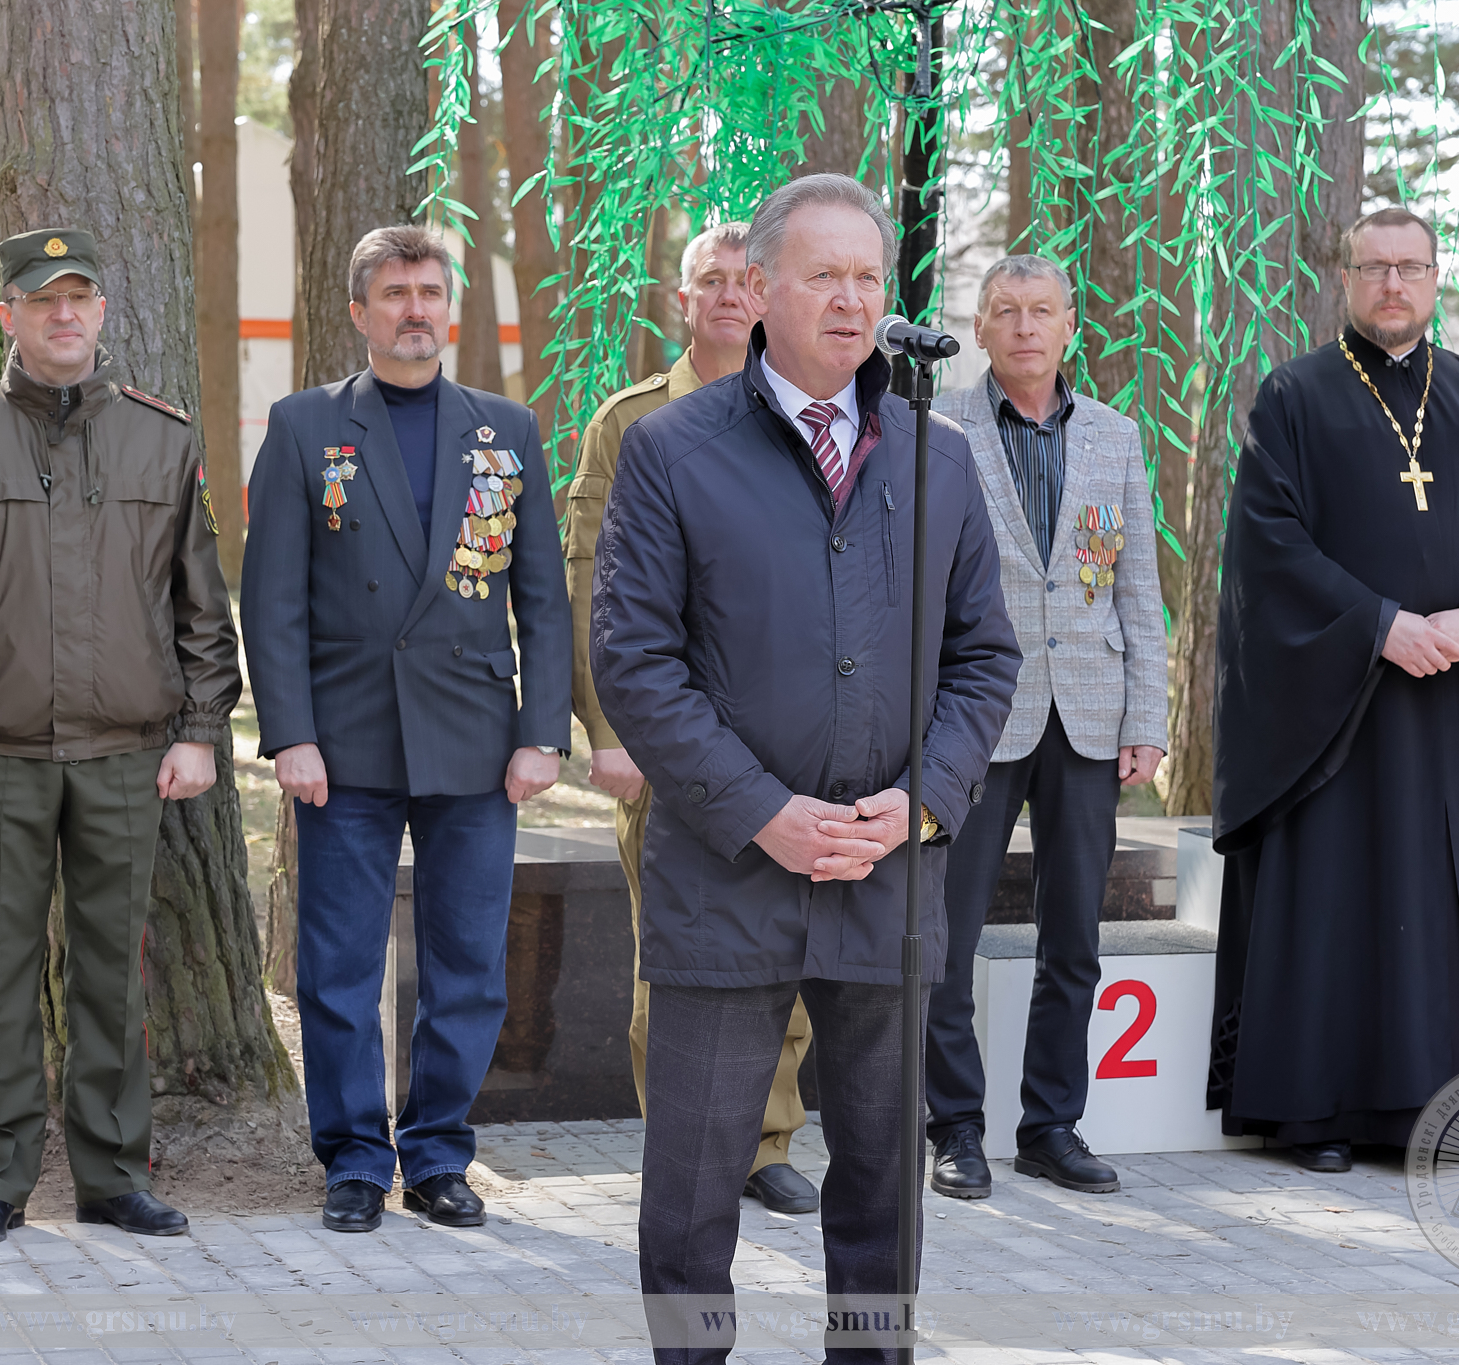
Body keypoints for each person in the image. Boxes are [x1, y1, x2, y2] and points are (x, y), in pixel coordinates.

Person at [593, 173, 1020, 1364]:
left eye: (866, 277)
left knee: (882, 1188)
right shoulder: (670, 450)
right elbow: (633, 661)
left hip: (886, 879)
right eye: (822, 274)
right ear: (758, 287)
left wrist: (921, 802)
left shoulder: (936, 459)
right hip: (727, 876)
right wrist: (760, 811)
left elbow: (984, 657)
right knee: (692, 1189)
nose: (849, 299)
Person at [1207, 206, 1459, 1172]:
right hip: (1335, 711)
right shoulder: (1293, 398)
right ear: (1345, 278)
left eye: (1410, 267)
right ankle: (1319, 1117)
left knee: (1458, 909)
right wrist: (1379, 624)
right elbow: (1267, 545)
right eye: (1375, 267)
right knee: (1337, 900)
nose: (1393, 283)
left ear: (1435, 278)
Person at [0, 228, 240, 1244]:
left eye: (79, 297)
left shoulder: (162, 440)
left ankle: (113, 1175)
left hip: (128, 752)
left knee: (111, 970)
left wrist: (200, 727)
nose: (64, 314)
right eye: (43, 299)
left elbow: (201, 605)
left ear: (102, 311)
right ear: (10, 314)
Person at [243, 226, 571, 1236]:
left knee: (468, 964)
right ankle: (352, 1158)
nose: (415, 308)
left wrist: (542, 730)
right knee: (339, 965)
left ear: (449, 308)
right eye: (395, 292)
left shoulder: (506, 429)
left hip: (475, 738)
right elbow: (272, 599)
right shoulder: (304, 426)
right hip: (345, 740)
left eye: (430, 291)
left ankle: (436, 1154)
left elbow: (543, 597)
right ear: (360, 311)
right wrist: (289, 732)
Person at [566, 222, 821, 1216]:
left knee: (787, 948)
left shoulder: (810, 414)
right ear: (682, 300)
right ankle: (684, 1142)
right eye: (707, 281)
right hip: (671, 734)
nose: (726, 297)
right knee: (671, 953)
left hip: (790, 735)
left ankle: (766, 1144)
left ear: (767, 296)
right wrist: (610, 732)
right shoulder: (630, 424)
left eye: (742, 281)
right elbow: (593, 583)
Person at [924, 256, 1166, 1200]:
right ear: (980, 329)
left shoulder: (1115, 435)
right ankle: (954, 1126)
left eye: (1042, 311)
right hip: (973, 715)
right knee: (947, 935)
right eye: (1006, 312)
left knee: (1074, 939)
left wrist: (1147, 716)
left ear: (1071, 326)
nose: (1025, 327)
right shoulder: (938, 428)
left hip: (1090, 717)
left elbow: (1137, 585)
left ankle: (1051, 1125)